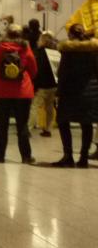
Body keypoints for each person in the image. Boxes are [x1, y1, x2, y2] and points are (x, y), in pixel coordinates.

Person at [0, 24, 38, 164]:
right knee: (22, 125)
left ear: (7, 33)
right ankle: (26, 156)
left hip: (2, 91)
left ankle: (0, 156)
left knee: (2, 125)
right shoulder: (25, 48)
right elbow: (34, 70)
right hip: (22, 92)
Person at [51, 24, 98, 168]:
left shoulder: (68, 51)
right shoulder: (94, 51)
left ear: (71, 35)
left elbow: (62, 74)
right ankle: (83, 158)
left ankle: (68, 156)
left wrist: (58, 93)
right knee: (86, 124)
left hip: (70, 93)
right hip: (90, 93)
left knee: (63, 122)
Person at [29, 31, 58, 136]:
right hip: (54, 84)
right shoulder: (56, 51)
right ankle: (48, 129)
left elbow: (38, 70)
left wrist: (35, 84)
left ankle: (28, 128)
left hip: (42, 85)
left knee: (34, 106)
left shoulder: (40, 52)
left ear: (43, 40)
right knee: (49, 107)